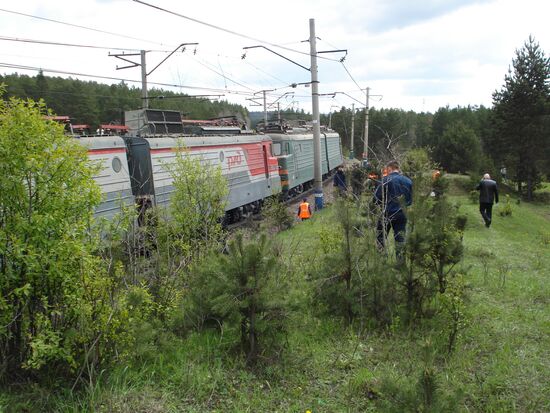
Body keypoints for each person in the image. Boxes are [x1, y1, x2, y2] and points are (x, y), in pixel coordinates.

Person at [374, 160, 413, 260]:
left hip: (387, 213)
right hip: (402, 214)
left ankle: (381, 260)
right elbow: (410, 200)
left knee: (380, 237)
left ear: (390, 168)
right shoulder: (408, 181)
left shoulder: (385, 180)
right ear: (398, 168)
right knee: (400, 240)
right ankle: (400, 264)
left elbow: (376, 198)